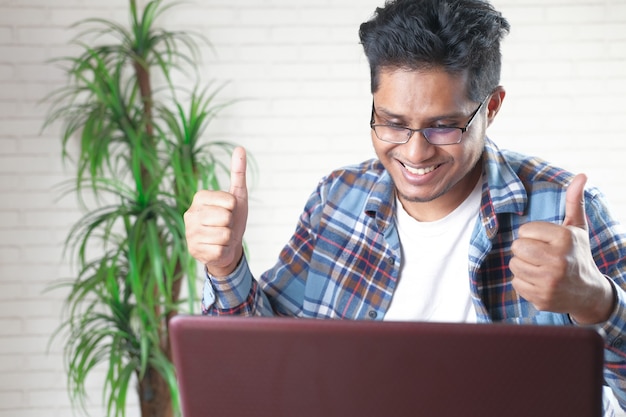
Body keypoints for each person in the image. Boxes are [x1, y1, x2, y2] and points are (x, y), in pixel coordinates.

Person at [184, 0, 626, 414]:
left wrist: (596, 302)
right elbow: (264, 364)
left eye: (443, 127)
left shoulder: (564, 211)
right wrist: (226, 267)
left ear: (491, 107)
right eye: (392, 123)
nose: (415, 154)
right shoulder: (337, 200)